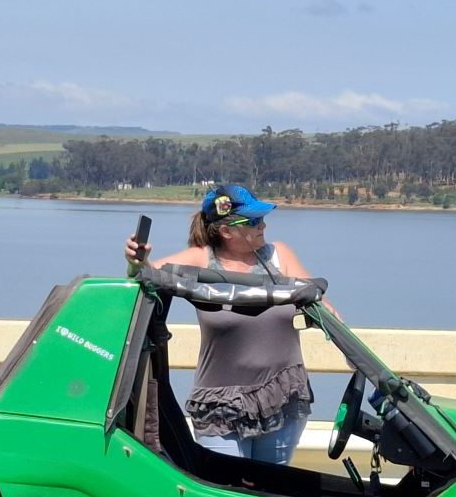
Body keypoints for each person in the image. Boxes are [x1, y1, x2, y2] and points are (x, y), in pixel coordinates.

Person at [124, 183, 314, 465]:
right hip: (219, 404)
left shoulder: (279, 255)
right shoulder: (201, 259)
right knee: (224, 492)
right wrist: (136, 261)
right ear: (226, 231)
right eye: (253, 221)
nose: (263, 225)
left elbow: (315, 299)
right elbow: (147, 276)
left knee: (273, 494)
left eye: (262, 218)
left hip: (280, 398)